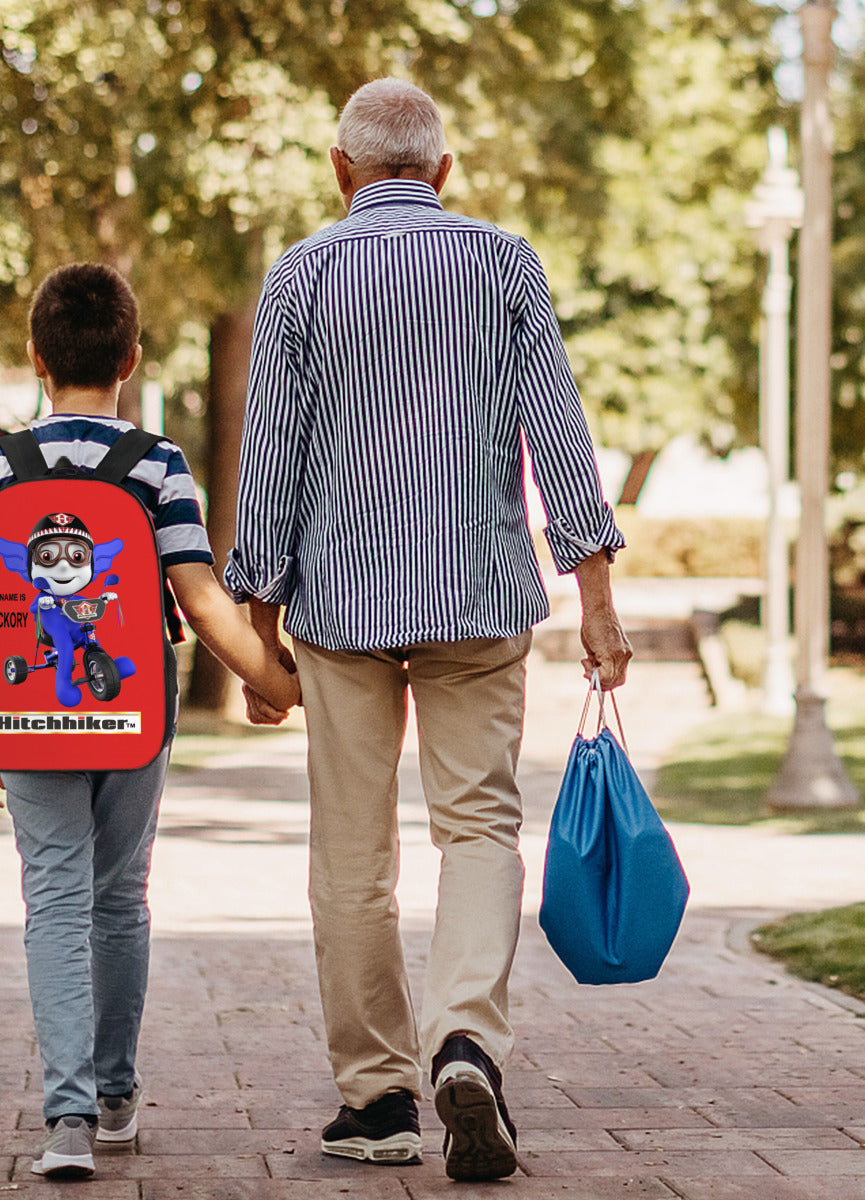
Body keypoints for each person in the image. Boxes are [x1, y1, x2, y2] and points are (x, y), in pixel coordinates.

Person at [225, 78, 632, 1182]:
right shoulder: (505, 262)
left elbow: (270, 466)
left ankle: (379, 1102)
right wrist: (594, 593)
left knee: (352, 858)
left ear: (339, 168)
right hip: (478, 596)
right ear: (442, 172)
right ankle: (467, 1042)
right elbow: (559, 426)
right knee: (480, 830)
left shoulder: (302, 275)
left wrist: (259, 634)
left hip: (342, 611)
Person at [0, 263, 300, 1181]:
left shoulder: (0, 465)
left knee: (54, 899)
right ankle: (113, 1099)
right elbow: (202, 600)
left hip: (22, 719)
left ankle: (63, 1123)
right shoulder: (156, 465)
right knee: (119, 897)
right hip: (134, 711)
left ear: (35, 357)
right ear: (132, 359)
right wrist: (283, 684)